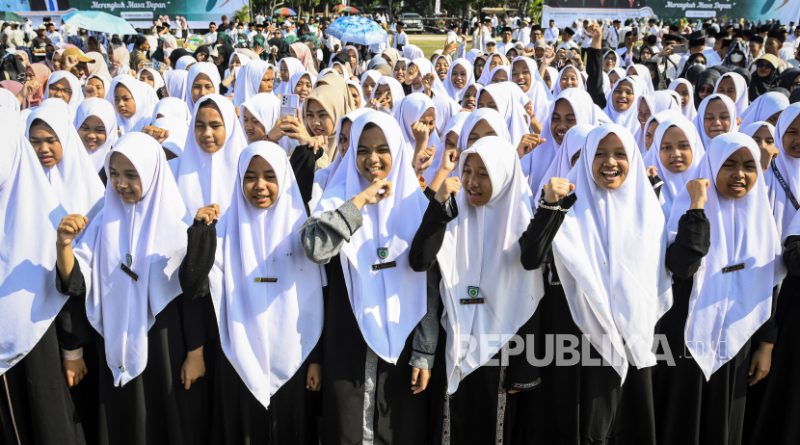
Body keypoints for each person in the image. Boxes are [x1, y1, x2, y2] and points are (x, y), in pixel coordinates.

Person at [519, 124, 671, 444]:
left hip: (632, 342)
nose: (609, 162)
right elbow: (532, 257)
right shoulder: (566, 207)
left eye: (619, 154)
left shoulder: (648, 212)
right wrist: (550, 206)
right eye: (599, 154)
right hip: (576, 338)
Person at [54, 132, 206, 445]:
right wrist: (64, 245)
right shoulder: (101, 222)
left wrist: (195, 353)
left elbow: (191, 298)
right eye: (114, 175)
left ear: (152, 174)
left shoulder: (177, 227)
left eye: (131, 175)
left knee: (163, 419)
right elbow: (77, 282)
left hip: (164, 343)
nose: (121, 184)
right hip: (112, 335)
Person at [300, 110, 440, 443]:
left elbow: (428, 286)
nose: (372, 159)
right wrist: (359, 202)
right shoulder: (334, 200)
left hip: (403, 347)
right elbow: (317, 250)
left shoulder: (415, 205)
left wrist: (424, 350)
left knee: (398, 429)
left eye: (382, 149)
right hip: (346, 345)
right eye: (362, 150)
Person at [179, 141, 324, 443]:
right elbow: (194, 289)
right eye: (250, 176)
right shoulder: (223, 231)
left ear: (284, 180)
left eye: (270, 176)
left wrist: (316, 360)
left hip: (294, 359)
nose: (260, 186)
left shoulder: (303, 231)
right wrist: (200, 234)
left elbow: (320, 298)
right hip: (237, 358)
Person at [409, 135, 544, 443]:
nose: (472, 181)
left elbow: (531, 297)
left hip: (502, 353)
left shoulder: (521, 223)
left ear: (503, 176)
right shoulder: (453, 216)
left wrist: (523, 370)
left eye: (484, 173)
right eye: (467, 171)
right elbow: (421, 261)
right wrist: (438, 210)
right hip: (452, 342)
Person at [655, 132, 784, 445]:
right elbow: (683, 265)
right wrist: (698, 207)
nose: (739, 174)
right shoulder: (684, 212)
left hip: (736, 346)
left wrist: (766, 345)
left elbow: (767, 286)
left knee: (723, 425)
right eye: (728, 165)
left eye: (748, 166)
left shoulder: (760, 218)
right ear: (711, 169)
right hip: (683, 340)